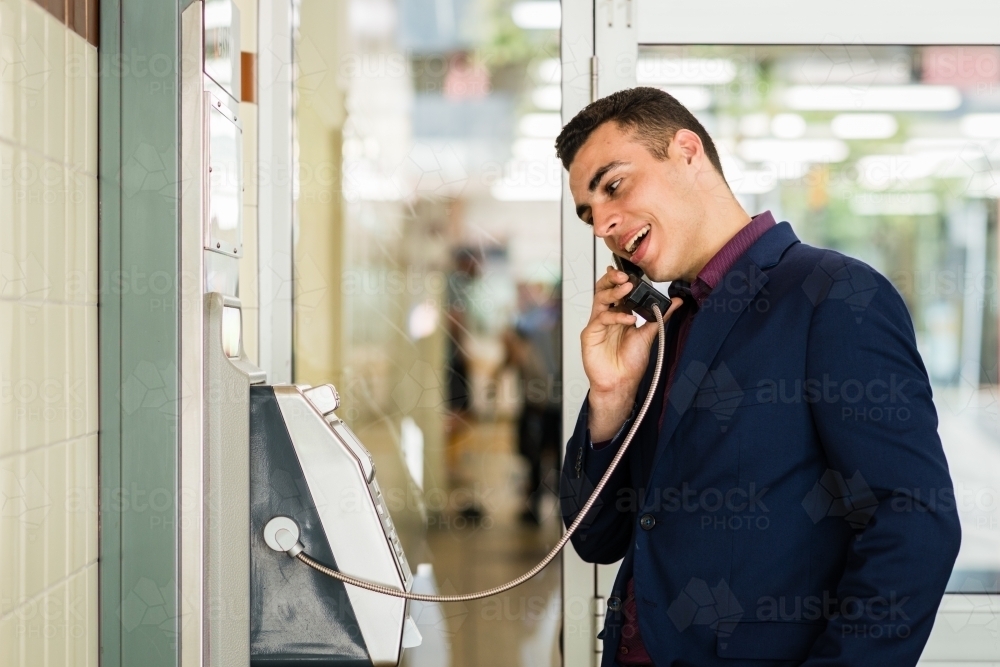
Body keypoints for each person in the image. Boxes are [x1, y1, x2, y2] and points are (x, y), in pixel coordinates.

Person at [557, 87, 961, 666]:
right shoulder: (662, 327)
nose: (604, 224)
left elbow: (915, 523)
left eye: (614, 186)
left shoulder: (832, 295)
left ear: (688, 151)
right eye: (589, 213)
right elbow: (595, 538)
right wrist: (611, 394)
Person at [501, 282, 562, 524]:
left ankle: (537, 507)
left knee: (538, 454)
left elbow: (514, 347)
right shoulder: (548, 321)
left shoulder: (533, 322)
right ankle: (556, 508)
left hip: (541, 401)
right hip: (552, 400)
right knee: (553, 454)